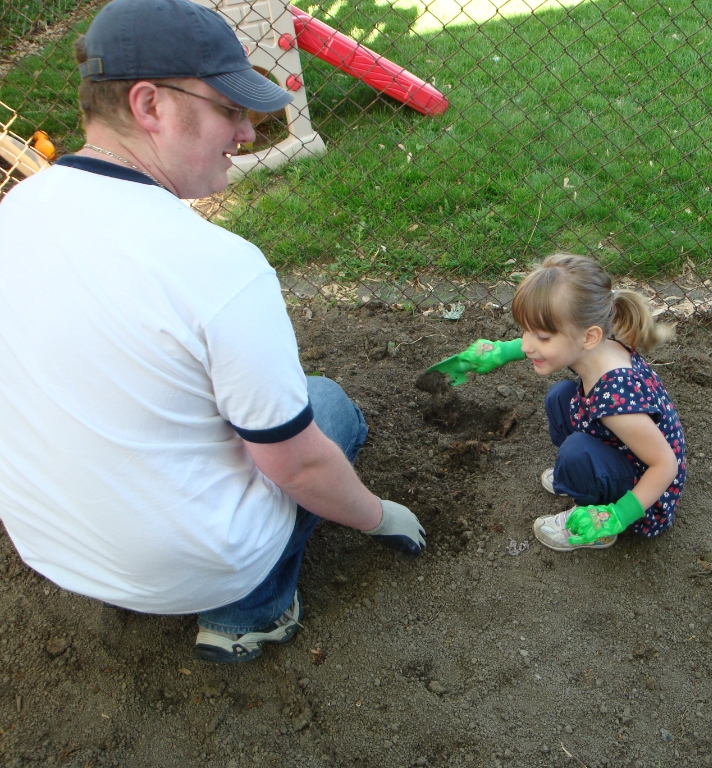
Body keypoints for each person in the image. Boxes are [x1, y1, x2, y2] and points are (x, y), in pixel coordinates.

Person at [0, 0, 425, 665]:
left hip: (53, 545)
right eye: (229, 109)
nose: (249, 133)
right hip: (187, 566)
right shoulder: (219, 267)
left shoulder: (16, 212)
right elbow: (299, 463)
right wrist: (378, 517)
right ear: (151, 105)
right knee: (328, 408)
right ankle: (251, 611)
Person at [432, 253, 686, 551]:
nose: (527, 345)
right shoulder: (594, 346)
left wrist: (616, 516)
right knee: (560, 397)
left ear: (588, 336)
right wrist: (500, 352)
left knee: (575, 453)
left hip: (647, 491)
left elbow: (665, 465)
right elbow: (553, 346)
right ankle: (587, 476)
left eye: (541, 336)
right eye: (526, 331)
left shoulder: (617, 402)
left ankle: (595, 515)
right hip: (625, 451)